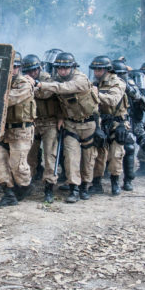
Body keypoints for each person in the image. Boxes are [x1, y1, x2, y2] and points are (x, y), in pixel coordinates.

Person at [36, 52, 98, 204]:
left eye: (65, 68)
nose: (62, 71)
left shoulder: (81, 79)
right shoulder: (56, 79)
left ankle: (85, 186)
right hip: (71, 124)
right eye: (59, 68)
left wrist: (43, 85)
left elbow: (65, 88)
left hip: (89, 124)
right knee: (71, 157)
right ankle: (74, 188)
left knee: (88, 159)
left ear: (72, 67)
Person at [0, 52, 37, 207]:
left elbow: (8, 99)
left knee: (17, 166)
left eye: (16, 66)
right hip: (4, 131)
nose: (13, 69)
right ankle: (9, 193)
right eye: (11, 66)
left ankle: (25, 186)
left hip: (21, 131)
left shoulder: (24, 84)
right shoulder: (1, 82)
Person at [23, 54, 61, 204]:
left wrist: (33, 85)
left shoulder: (47, 79)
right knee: (29, 156)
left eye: (34, 70)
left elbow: (46, 93)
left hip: (50, 122)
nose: (32, 73)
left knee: (50, 157)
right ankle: (26, 184)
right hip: (33, 122)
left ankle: (49, 188)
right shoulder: (25, 79)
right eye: (29, 71)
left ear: (39, 68)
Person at [89, 56, 127, 196]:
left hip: (118, 121)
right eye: (95, 70)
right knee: (98, 153)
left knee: (116, 153)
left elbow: (113, 100)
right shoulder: (95, 84)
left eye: (100, 69)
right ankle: (97, 182)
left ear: (107, 70)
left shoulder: (117, 82)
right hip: (101, 121)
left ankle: (115, 181)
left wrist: (95, 94)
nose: (97, 72)